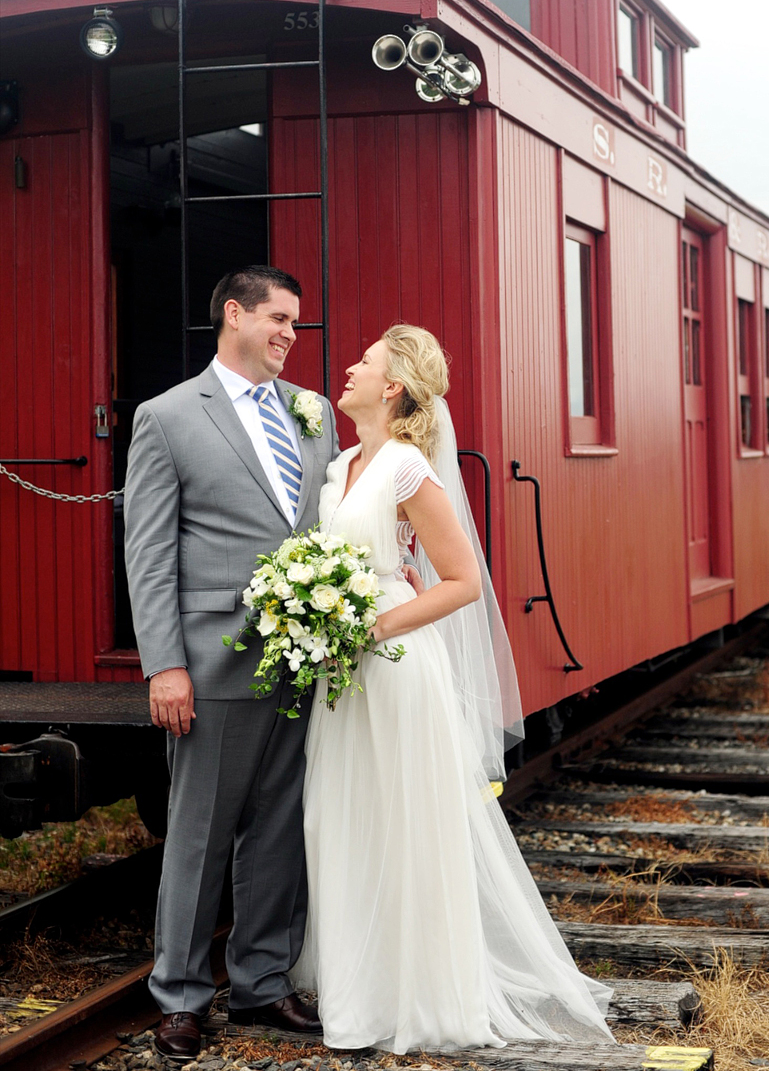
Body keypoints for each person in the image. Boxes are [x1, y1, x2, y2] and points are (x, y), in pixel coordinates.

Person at [291, 324, 614, 1053]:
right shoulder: (341, 462)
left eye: (364, 362)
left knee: (404, 827)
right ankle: (354, 995)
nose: (348, 367)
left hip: (396, 668)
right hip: (342, 673)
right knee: (337, 820)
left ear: (393, 386)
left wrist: (378, 624)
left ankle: (420, 999)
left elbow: (465, 582)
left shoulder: (408, 469)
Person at [124, 265, 340, 1060]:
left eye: (296, 323)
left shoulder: (311, 416)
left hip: (303, 660)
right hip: (209, 664)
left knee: (282, 827)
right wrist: (164, 664)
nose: (290, 333)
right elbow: (147, 552)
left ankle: (260, 982)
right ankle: (178, 995)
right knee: (199, 830)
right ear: (235, 314)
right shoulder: (169, 416)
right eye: (279, 318)